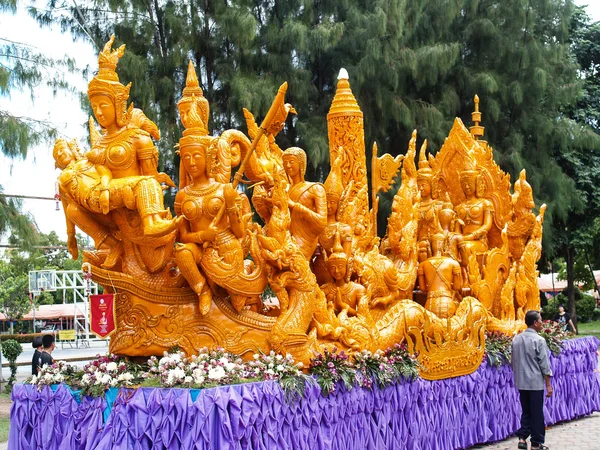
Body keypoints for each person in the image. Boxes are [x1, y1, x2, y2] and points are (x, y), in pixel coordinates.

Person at [511, 310, 553, 450]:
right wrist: (548, 385)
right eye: (540, 320)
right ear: (535, 323)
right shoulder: (539, 340)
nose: (542, 322)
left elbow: (514, 361)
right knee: (536, 413)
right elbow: (544, 365)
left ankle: (522, 438)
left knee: (526, 410)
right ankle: (536, 443)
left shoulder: (516, 339)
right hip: (535, 382)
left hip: (521, 382)